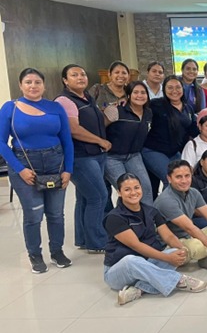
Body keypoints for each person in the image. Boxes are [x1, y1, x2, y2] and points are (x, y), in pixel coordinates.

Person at [0, 68, 74, 273]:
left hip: (55, 163)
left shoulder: (55, 107)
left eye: (37, 82)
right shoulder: (10, 108)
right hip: (25, 164)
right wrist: (20, 169)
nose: (33, 86)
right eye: (28, 82)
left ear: (44, 85)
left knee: (56, 213)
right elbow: (1, 143)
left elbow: (67, 141)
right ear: (20, 85)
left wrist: (68, 169)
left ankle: (57, 251)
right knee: (33, 214)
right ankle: (35, 254)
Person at [103, 173, 207, 306]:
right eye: (127, 189)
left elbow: (168, 236)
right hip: (119, 271)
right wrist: (167, 259)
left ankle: (139, 289)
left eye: (136, 188)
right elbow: (136, 246)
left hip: (146, 263)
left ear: (141, 188)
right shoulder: (114, 217)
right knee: (131, 260)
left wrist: (182, 250)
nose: (133, 192)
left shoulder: (151, 211)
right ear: (119, 192)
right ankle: (178, 281)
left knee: (175, 251)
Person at [56, 64, 110, 254]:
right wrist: (100, 141)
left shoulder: (86, 97)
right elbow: (74, 129)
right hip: (81, 156)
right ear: (65, 80)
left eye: (83, 74)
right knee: (99, 196)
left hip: (95, 154)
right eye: (74, 75)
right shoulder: (64, 100)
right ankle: (97, 241)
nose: (80, 77)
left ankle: (83, 239)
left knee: (85, 197)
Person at [154, 160, 207, 269]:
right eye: (178, 177)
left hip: (189, 237)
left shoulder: (193, 192)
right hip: (172, 244)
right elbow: (189, 228)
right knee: (196, 246)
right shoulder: (166, 200)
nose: (184, 181)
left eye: (187, 176)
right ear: (169, 178)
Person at [142, 75, 198, 191]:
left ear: (182, 88)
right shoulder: (155, 104)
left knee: (184, 179)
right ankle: (167, 203)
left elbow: (193, 130)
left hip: (174, 152)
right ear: (164, 89)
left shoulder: (188, 108)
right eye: (170, 87)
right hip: (153, 150)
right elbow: (137, 108)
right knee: (171, 180)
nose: (174, 91)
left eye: (178, 87)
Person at [103, 80, 154, 206]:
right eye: (136, 92)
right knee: (128, 191)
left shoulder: (148, 113)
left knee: (145, 189)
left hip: (134, 156)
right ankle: (126, 218)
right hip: (112, 157)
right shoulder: (116, 110)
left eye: (143, 92)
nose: (139, 95)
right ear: (129, 95)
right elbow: (99, 128)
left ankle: (148, 217)